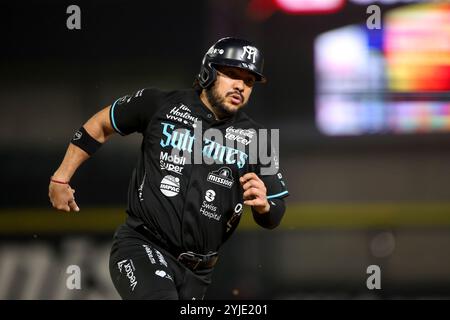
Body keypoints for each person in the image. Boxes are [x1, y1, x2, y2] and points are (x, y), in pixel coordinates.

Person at [48, 37, 289, 300]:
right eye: (232, 74)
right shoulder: (160, 104)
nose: (240, 86)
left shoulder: (257, 139)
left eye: (249, 81)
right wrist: (61, 177)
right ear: (208, 71)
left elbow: (275, 214)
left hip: (199, 273)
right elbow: (101, 125)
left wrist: (265, 207)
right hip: (143, 246)